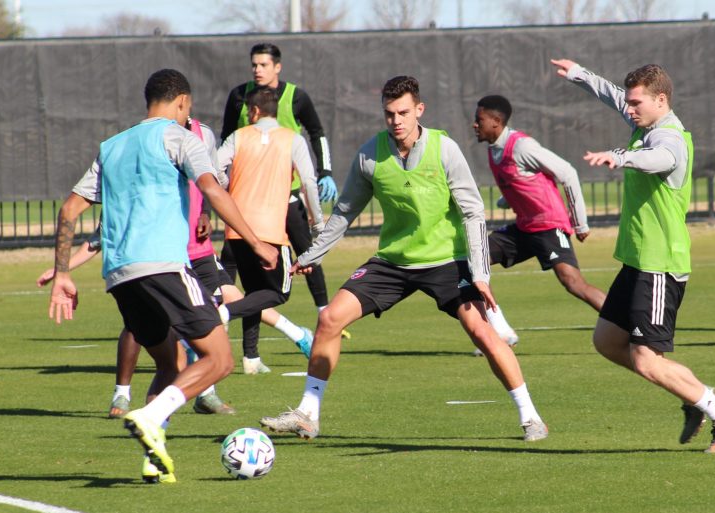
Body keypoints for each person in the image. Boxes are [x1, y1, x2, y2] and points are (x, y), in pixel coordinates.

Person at [259, 76, 548, 442]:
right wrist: (311, 255)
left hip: (447, 259)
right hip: (393, 262)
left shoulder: (444, 149)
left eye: (403, 112)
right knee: (331, 318)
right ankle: (308, 415)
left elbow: (474, 213)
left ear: (419, 110)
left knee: (482, 332)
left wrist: (480, 274)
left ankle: (531, 417)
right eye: (389, 113)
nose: (396, 120)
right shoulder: (370, 155)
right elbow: (344, 213)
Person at [47, 68, 278, 483]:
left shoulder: (112, 146)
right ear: (182, 102)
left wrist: (64, 273)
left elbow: (68, 211)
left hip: (119, 275)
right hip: (165, 267)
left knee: (170, 364)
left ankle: (153, 460)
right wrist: (257, 242)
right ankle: (152, 415)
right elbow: (212, 190)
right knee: (220, 359)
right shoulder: (179, 136)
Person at [551, 58, 715, 453]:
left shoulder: (669, 137)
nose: (630, 108)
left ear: (661, 99)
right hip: (638, 261)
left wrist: (621, 156)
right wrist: (581, 75)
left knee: (646, 360)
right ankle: (695, 396)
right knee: (607, 341)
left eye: (637, 103)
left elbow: (663, 160)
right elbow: (613, 96)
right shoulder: (645, 123)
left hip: (660, 266)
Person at [220, 42, 351, 341]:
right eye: (254, 64)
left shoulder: (296, 97)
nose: (257, 69)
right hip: (246, 201)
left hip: (286, 197)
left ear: (277, 67)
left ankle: (325, 315)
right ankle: (239, 336)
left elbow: (317, 133)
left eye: (263, 64)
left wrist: (326, 172)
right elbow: (225, 137)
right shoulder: (240, 96)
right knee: (252, 275)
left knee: (308, 254)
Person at [471, 94, 606, 355]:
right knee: (474, 258)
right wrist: (505, 201)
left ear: (496, 121)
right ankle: (500, 332)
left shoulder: (522, 146)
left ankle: (630, 324)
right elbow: (522, 182)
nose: (474, 125)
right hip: (524, 227)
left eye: (479, 120)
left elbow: (567, 173)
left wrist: (580, 223)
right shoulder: (494, 149)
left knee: (573, 283)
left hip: (548, 225)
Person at [218, 85, 324, 375]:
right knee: (279, 293)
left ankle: (251, 358)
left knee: (254, 292)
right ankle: (225, 311)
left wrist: (228, 189)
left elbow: (213, 169)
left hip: (236, 231)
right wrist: (318, 219)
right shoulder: (292, 139)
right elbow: (309, 181)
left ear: (253, 111)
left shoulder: (238, 137)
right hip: (269, 233)